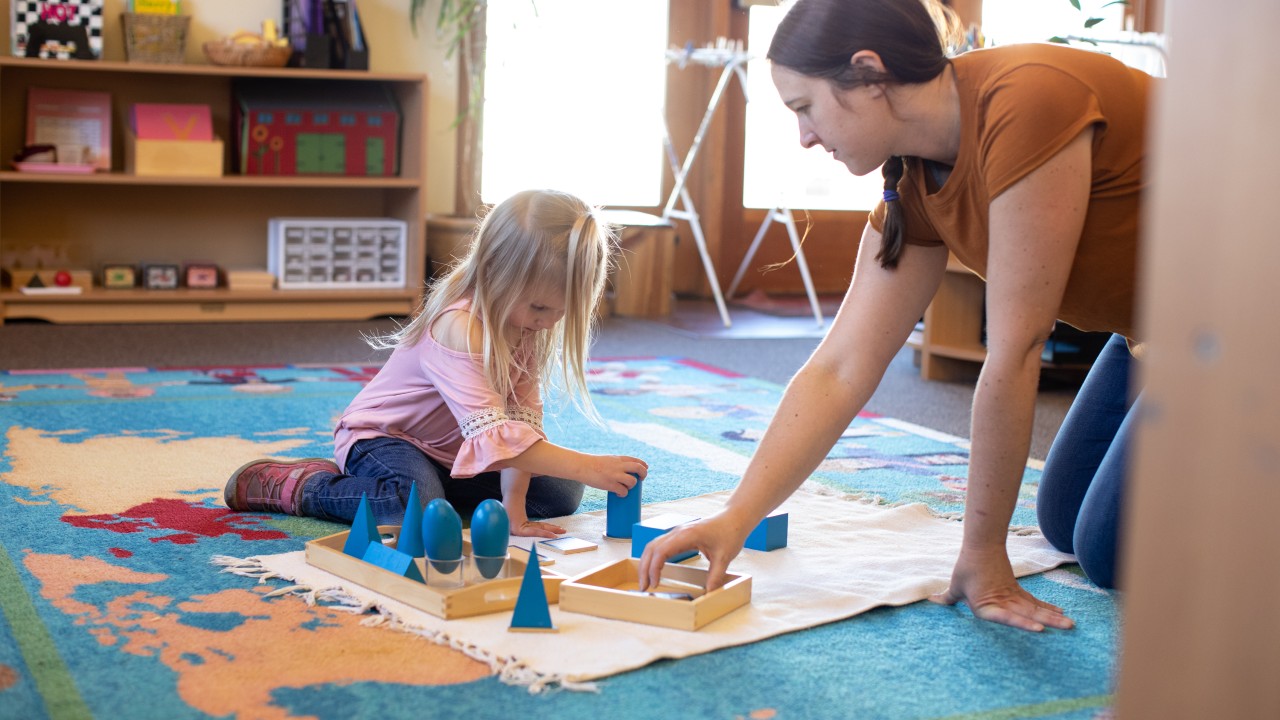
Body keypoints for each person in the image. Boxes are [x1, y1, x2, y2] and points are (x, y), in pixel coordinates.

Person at [639, 0, 1153, 632]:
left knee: (1107, 548)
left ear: (868, 74)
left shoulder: (1026, 103)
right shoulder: (912, 184)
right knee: (1063, 518)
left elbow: (1016, 351)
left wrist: (985, 554)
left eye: (804, 107)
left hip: (1241, 317)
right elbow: (840, 367)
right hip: (1150, 333)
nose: (803, 136)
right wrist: (734, 518)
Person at [224, 189, 648, 537]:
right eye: (540, 307)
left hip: (453, 452)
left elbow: (520, 429)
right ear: (494, 273)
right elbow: (498, 438)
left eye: (561, 311)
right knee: (410, 510)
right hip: (386, 438)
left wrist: (515, 512)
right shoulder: (459, 327)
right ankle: (306, 486)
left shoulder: (525, 330)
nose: (548, 322)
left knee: (560, 493)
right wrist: (591, 465)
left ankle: (429, 489)